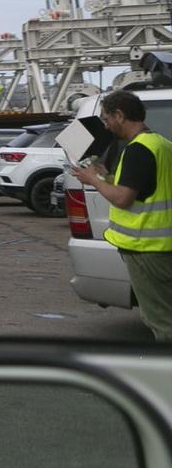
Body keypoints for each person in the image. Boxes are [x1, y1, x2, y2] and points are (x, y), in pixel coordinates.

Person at [74, 89, 172, 341]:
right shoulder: (161, 144)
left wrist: (93, 180)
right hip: (162, 246)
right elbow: (145, 189)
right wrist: (106, 176)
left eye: (106, 118)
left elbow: (122, 198)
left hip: (147, 249)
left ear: (120, 115)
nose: (105, 126)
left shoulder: (137, 150)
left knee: (160, 319)